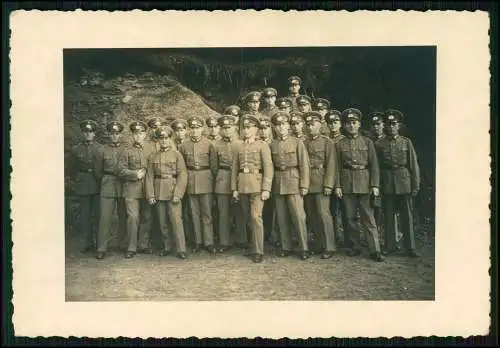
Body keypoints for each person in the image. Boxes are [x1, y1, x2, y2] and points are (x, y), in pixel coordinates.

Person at [334, 108, 384, 262]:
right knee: (349, 218)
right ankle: (354, 246)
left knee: (368, 218)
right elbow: (336, 166)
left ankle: (374, 249)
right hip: (347, 182)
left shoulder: (367, 142)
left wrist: (374, 185)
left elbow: (374, 165)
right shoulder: (340, 144)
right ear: (344, 126)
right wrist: (338, 186)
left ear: (359, 124)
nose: (351, 126)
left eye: (354, 123)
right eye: (348, 123)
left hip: (364, 181)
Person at [375, 110, 420, 258]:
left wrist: (415, 185)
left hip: (404, 181)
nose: (391, 127)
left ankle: (410, 247)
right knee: (388, 216)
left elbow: (413, 165)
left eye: (394, 124)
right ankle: (390, 245)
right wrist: (378, 185)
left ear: (399, 125)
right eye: (388, 124)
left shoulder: (406, 142)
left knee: (407, 216)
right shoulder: (379, 143)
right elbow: (377, 166)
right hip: (387, 182)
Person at [231, 115, 274, 263]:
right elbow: (234, 169)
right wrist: (235, 188)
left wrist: (266, 188)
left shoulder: (262, 145)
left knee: (256, 217)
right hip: (243, 185)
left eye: (249, 127)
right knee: (248, 217)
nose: (246, 130)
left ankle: (258, 251)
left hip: (257, 185)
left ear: (256, 129)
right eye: (244, 127)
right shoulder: (239, 146)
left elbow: (268, 168)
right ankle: (253, 246)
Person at [270, 112, 310, 260]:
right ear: (274, 127)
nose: (281, 128)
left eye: (284, 124)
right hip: (278, 182)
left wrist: (304, 184)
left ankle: (304, 247)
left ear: (288, 126)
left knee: (298, 216)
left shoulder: (297, 142)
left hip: (294, 181)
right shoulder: (272, 144)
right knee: (281, 217)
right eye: (278, 125)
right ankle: (285, 246)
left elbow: (304, 165)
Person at [145, 127, 188, 259]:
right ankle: (167, 246)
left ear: (170, 139)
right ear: (158, 140)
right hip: (159, 191)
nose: (163, 141)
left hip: (172, 189)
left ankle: (181, 249)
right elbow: (149, 176)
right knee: (162, 221)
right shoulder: (153, 156)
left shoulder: (177, 155)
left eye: (166, 138)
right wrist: (150, 195)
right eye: (161, 138)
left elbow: (182, 174)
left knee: (176, 220)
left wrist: (178, 193)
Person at [178, 116, 217, 254]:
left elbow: (214, 167)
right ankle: (198, 241)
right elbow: (181, 168)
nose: (195, 130)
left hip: (206, 180)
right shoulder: (183, 146)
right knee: (193, 213)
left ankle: (209, 242)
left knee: (207, 213)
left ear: (202, 129)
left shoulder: (209, 144)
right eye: (192, 128)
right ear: (189, 130)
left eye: (197, 128)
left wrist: (212, 182)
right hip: (190, 180)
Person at [117, 121, 154, 258]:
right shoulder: (126, 150)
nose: (138, 136)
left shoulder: (152, 148)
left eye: (141, 133)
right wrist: (134, 174)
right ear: (132, 135)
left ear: (145, 134)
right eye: (135, 133)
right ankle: (131, 247)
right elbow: (119, 170)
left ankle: (143, 245)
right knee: (133, 217)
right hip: (131, 189)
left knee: (147, 217)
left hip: (147, 189)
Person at [303, 111, 337, 259]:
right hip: (307, 183)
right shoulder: (303, 142)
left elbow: (331, 164)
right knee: (312, 216)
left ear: (320, 125)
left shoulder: (327, 142)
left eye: (313, 124)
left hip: (322, 181)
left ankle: (329, 246)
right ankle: (318, 244)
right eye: (308, 124)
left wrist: (329, 185)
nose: (310, 127)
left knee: (324, 215)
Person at [67, 120, 102, 253]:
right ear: (82, 133)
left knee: (98, 215)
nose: (88, 134)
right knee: (85, 216)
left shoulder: (100, 148)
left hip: (97, 184)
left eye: (91, 132)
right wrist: (76, 182)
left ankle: (99, 243)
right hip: (83, 185)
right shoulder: (76, 149)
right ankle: (87, 243)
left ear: (94, 133)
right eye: (86, 132)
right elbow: (71, 169)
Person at [95, 121, 127, 260]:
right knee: (105, 217)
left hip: (122, 184)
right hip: (107, 184)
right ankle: (102, 247)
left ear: (121, 134)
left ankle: (122, 244)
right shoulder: (102, 150)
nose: (115, 136)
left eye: (117, 133)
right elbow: (97, 171)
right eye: (112, 133)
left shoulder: (126, 149)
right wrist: (105, 180)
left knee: (123, 215)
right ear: (108, 134)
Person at [213, 115, 243, 252]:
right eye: (224, 128)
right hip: (223, 178)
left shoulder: (241, 143)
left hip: (239, 178)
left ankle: (241, 239)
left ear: (235, 128)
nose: (226, 130)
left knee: (240, 210)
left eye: (229, 127)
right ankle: (224, 242)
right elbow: (214, 167)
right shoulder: (216, 145)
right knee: (223, 212)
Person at [325, 110, 348, 246]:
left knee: (346, 211)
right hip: (329, 178)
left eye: (335, 122)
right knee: (332, 210)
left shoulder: (344, 140)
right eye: (330, 123)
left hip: (344, 178)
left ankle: (348, 238)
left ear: (340, 124)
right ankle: (335, 237)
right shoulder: (326, 140)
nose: (333, 125)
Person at [258, 117, 278, 245]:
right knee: (263, 209)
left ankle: (276, 236)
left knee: (277, 209)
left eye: (266, 128)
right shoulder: (257, 143)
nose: (264, 131)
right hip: (261, 180)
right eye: (261, 128)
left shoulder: (275, 143)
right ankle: (264, 236)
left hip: (277, 180)